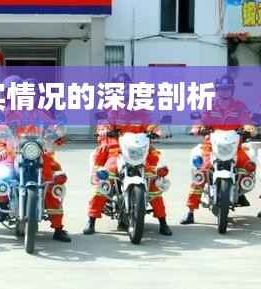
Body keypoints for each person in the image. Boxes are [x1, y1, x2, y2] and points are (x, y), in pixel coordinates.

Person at [83, 72, 172, 236]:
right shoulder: (111, 109)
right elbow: (104, 124)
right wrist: (103, 130)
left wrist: (158, 132)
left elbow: (151, 125)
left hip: (139, 152)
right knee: (106, 180)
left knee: (153, 181)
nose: (124, 91)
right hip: (117, 152)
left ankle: (163, 221)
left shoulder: (141, 109)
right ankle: (91, 219)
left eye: (127, 88)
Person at [0, 77, 71, 243]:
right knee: (0, 174)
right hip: (14, 154)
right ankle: (2, 205)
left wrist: (59, 135)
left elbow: (54, 129)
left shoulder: (43, 113)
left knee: (51, 183)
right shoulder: (9, 112)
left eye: (34, 93)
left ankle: (58, 228)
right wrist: (2, 149)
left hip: (40, 156)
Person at [181, 74, 257, 224]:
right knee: (201, 173)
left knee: (249, 166)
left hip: (234, 146)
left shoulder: (239, 106)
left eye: (228, 89)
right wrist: (197, 128)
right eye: (222, 89)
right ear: (217, 90)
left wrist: (250, 129)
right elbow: (201, 120)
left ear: (232, 90)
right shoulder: (210, 105)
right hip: (211, 146)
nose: (225, 91)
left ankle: (239, 192)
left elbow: (247, 121)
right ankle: (190, 211)